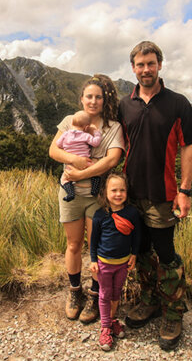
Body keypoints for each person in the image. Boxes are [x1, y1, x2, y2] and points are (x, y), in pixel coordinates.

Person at [118, 41, 192, 351]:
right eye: (140, 65)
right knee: (141, 251)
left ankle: (174, 312)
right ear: (133, 68)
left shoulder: (178, 103)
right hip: (130, 194)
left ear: (160, 65)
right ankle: (151, 301)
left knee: (166, 255)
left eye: (150, 63)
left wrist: (185, 190)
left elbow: (188, 148)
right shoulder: (125, 105)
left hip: (164, 195)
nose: (145, 69)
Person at [49, 74, 125, 325]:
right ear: (81, 99)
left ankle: (94, 294)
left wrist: (82, 172)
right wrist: (74, 160)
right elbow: (53, 150)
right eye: (89, 97)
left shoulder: (112, 127)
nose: (93, 101)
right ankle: (74, 292)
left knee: (96, 248)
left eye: (98, 97)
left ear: (104, 100)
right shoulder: (69, 121)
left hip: (96, 196)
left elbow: (112, 159)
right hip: (70, 193)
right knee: (73, 245)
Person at [89, 173, 141, 351]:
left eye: (122, 190)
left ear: (127, 192)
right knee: (104, 294)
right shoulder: (100, 215)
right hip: (104, 263)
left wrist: (134, 254)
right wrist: (93, 260)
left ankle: (111, 321)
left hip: (123, 263)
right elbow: (93, 241)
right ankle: (105, 327)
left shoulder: (132, 213)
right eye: (114, 190)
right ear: (105, 192)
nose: (118, 194)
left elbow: (136, 235)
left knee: (116, 293)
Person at [55, 110, 102, 201]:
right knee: (96, 172)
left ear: (72, 122)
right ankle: (94, 189)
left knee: (64, 179)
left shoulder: (66, 134)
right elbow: (95, 143)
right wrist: (97, 133)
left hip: (70, 166)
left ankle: (70, 193)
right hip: (86, 163)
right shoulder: (85, 136)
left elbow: (58, 144)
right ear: (86, 127)